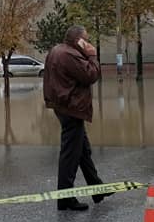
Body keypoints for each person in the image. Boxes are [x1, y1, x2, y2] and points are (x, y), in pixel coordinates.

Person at [43, 25, 111, 211]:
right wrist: (92, 55)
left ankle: (97, 188)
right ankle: (65, 198)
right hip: (71, 108)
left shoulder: (57, 50)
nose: (88, 43)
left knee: (82, 150)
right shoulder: (70, 54)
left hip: (64, 106)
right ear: (78, 40)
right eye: (86, 39)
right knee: (70, 155)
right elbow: (91, 75)